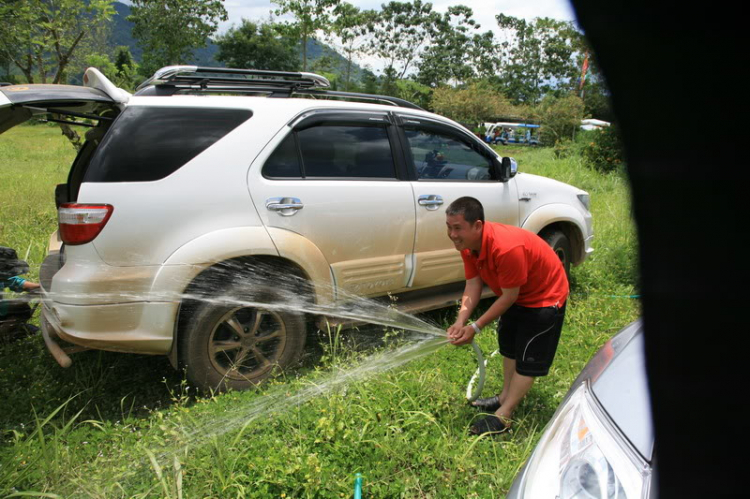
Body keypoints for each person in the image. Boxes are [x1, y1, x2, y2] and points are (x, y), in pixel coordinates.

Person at [445, 197, 568, 436]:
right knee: (509, 348)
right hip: (516, 294)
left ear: (477, 225)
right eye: (449, 227)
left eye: (457, 227)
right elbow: (473, 283)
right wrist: (461, 321)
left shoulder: (506, 248)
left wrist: (476, 327)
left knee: (527, 357)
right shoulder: (468, 246)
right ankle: (504, 396)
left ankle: (505, 415)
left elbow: (510, 297)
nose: (452, 234)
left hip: (544, 296)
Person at [1, 246, 41, 339]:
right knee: (22, 308)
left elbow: (15, 282)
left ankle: (13, 329)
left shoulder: (2, 277)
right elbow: (2, 308)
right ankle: (3, 336)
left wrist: (40, 286)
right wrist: (28, 297)